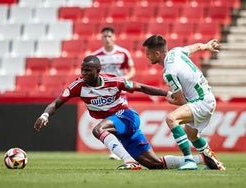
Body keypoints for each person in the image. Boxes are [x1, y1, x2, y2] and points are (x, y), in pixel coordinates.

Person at [34, 55, 203, 170]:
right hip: (117, 126)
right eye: (82, 69)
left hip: (127, 117)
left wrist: (166, 93)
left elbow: (141, 87)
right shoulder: (78, 86)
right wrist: (45, 115)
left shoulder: (114, 81)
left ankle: (129, 161)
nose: (83, 73)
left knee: (98, 130)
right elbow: (56, 103)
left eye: (88, 70)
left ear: (98, 71)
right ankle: (201, 159)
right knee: (155, 165)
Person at [142, 35, 226, 170]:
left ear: (157, 53)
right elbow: (197, 46)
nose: (147, 57)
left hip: (202, 101)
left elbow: (181, 101)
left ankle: (189, 160)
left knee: (171, 119)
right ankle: (214, 163)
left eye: (148, 54)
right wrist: (207, 46)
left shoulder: (169, 72)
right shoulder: (176, 52)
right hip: (208, 97)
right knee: (191, 133)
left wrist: (171, 99)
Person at [91, 26, 136, 160]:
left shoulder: (123, 53)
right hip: (105, 94)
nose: (107, 38)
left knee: (120, 118)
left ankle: (121, 148)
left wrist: (123, 80)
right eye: (105, 36)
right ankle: (116, 149)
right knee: (109, 121)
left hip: (120, 92)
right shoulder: (97, 55)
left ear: (114, 37)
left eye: (110, 36)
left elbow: (132, 70)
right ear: (101, 38)